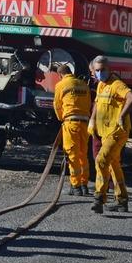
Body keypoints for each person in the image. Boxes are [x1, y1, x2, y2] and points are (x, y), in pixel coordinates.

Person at [88, 56, 132, 213]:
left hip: (117, 132)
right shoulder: (101, 85)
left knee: (101, 160)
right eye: (97, 70)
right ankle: (122, 201)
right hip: (104, 133)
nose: (100, 73)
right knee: (114, 165)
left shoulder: (117, 85)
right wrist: (92, 120)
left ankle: (99, 198)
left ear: (109, 69)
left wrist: (122, 115)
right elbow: (97, 103)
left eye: (103, 70)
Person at [52, 62, 92, 196]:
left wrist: (61, 118)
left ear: (60, 75)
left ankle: (75, 186)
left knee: (72, 155)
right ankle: (84, 185)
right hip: (85, 123)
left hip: (71, 123)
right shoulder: (84, 85)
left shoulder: (61, 85)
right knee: (83, 154)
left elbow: (57, 105)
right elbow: (89, 104)